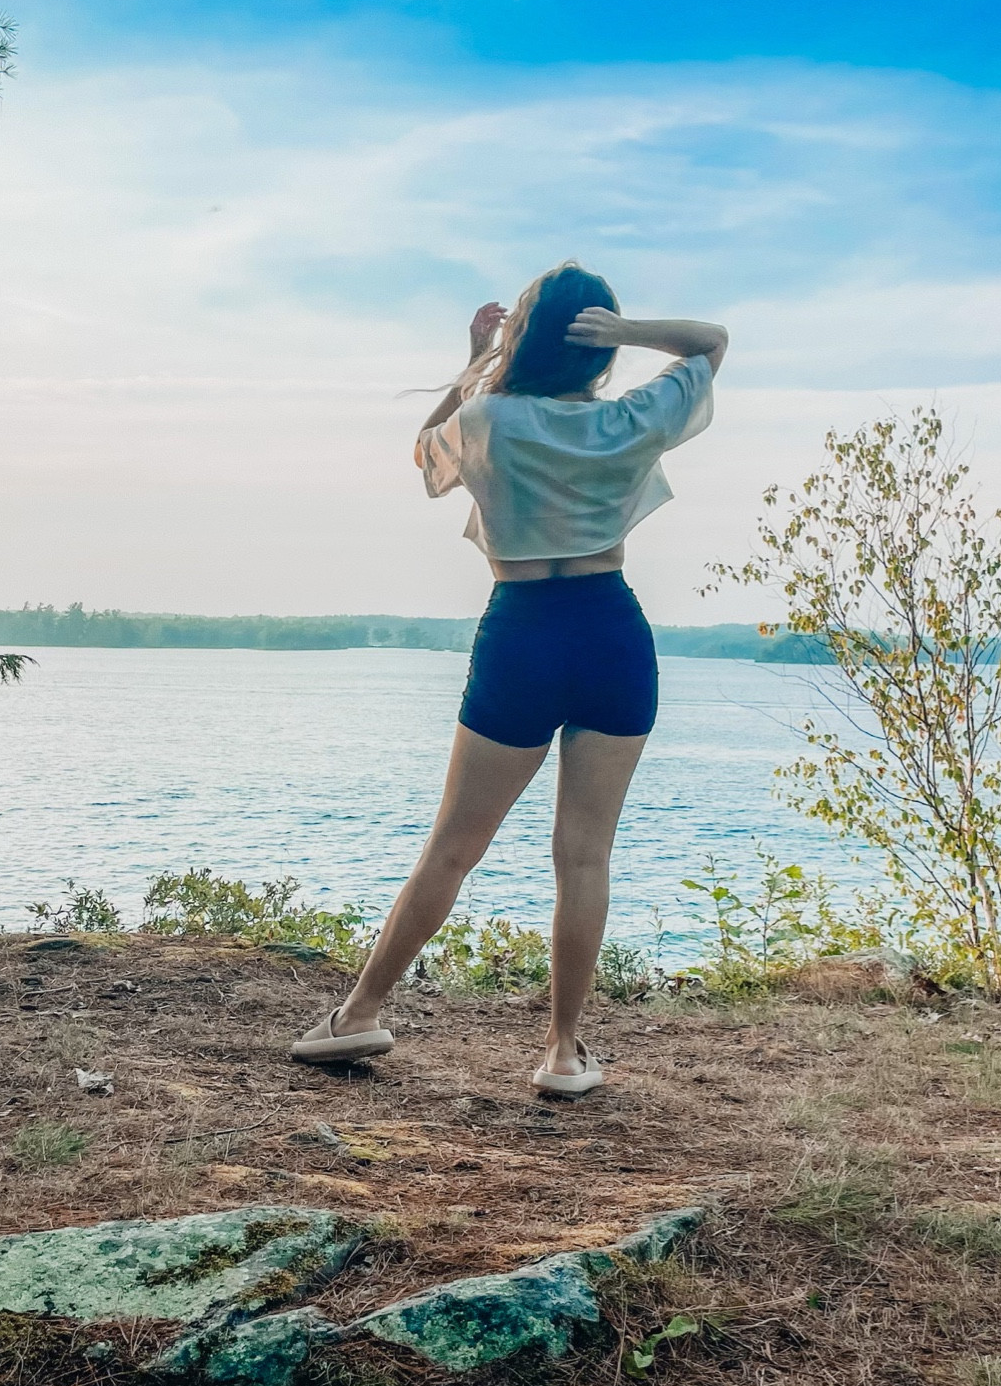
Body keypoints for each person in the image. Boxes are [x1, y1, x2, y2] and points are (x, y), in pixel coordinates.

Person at [291, 261, 727, 1095]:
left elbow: (423, 452)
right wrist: (624, 333)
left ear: (524, 338)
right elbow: (710, 343)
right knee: (584, 859)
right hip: (611, 633)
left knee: (452, 849)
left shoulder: (487, 417)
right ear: (594, 347)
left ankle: (358, 1016)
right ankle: (562, 1055)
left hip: (523, 633)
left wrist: (475, 359)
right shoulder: (632, 419)